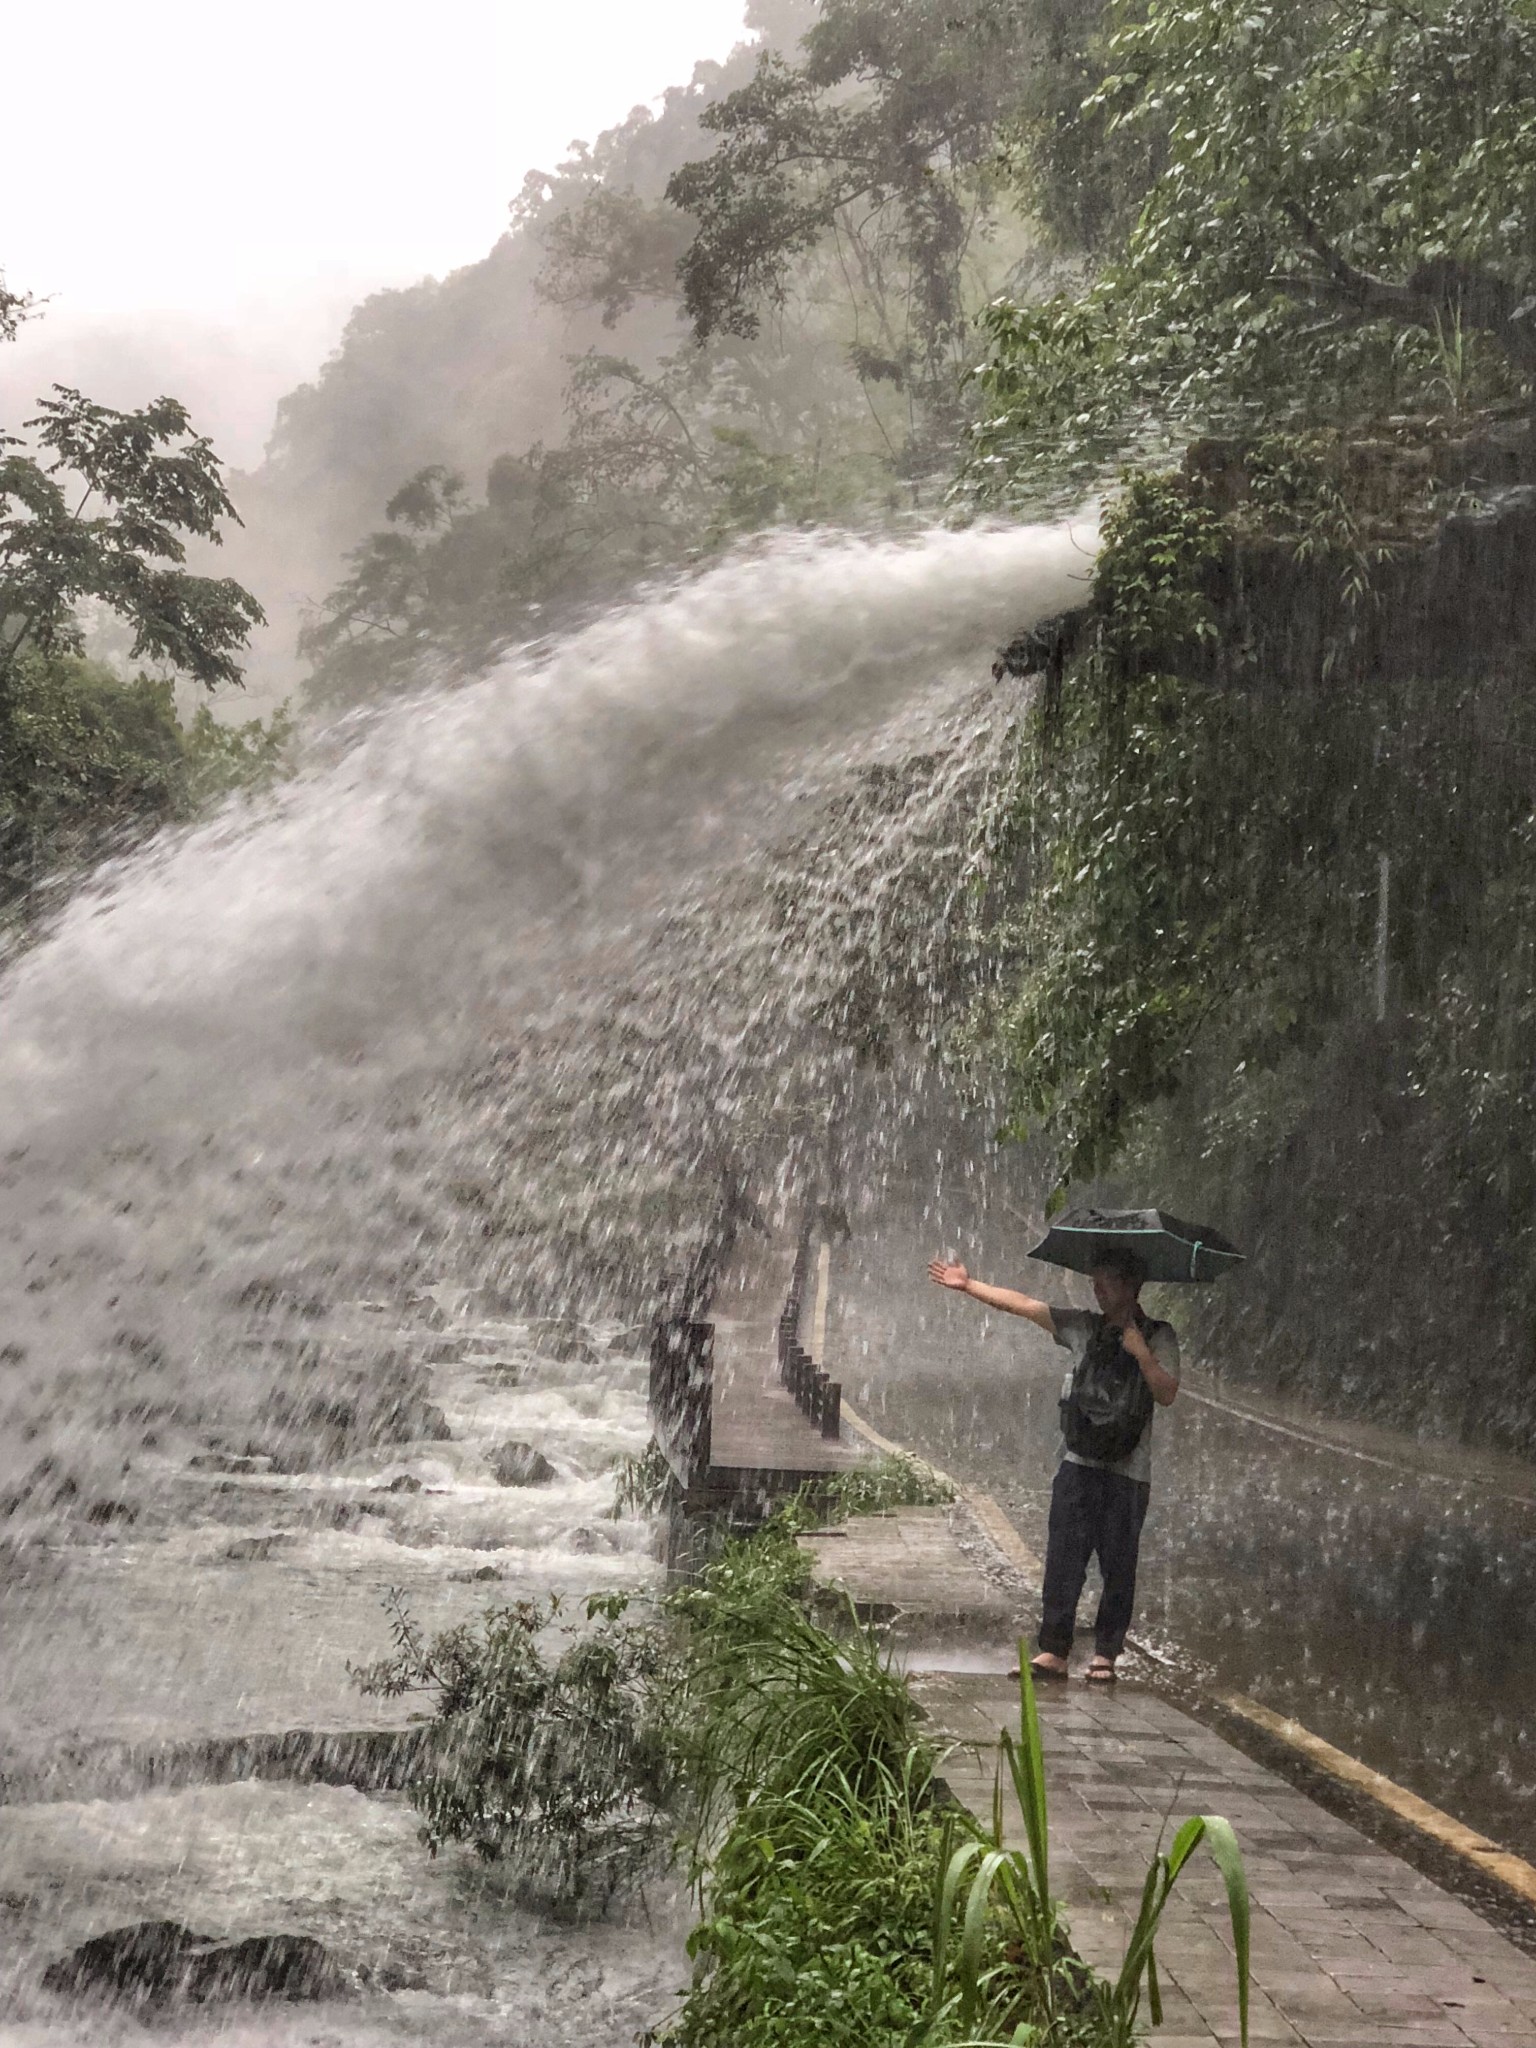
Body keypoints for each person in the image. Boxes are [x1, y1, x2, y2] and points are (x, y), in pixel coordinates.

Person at [926, 1244, 1179, 1684]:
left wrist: (1141, 1354)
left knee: (1119, 1566)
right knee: (1064, 1559)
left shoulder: (1159, 1335)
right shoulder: (1083, 1327)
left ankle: (1105, 1654)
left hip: (1129, 1474)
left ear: (1132, 1286)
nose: (1098, 1289)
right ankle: (1054, 1651)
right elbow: (1025, 1305)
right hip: (1078, 1464)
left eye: (1107, 1282)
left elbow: (1167, 1392)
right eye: (1095, 1281)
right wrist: (968, 1286)